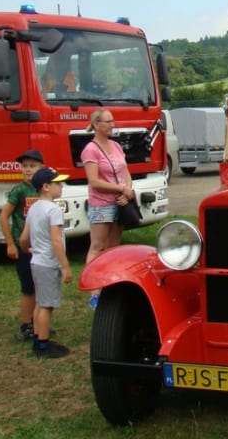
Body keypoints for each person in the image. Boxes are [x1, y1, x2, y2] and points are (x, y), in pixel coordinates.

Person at [80, 110, 135, 309]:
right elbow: (94, 182)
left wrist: (127, 190)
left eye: (113, 121)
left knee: (114, 247)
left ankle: (110, 286)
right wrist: (120, 189)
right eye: (108, 121)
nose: (112, 124)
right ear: (96, 124)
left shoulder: (116, 146)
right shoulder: (90, 150)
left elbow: (125, 171)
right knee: (98, 247)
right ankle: (94, 291)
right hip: (101, 204)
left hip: (120, 203)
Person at [19, 167, 72, 359]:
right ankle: (43, 345)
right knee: (47, 305)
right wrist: (65, 266)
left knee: (40, 303)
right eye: (58, 183)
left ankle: (38, 337)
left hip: (36, 262)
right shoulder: (54, 210)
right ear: (46, 187)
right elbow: (56, 241)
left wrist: (28, 250)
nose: (61, 186)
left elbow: (24, 238)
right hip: (49, 264)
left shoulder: (33, 208)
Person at [0, 149, 43, 342]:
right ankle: (26, 325)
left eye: (32, 166)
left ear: (41, 167)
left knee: (42, 286)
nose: (27, 170)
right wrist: (10, 243)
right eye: (24, 166)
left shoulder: (44, 189)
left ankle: (40, 322)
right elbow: (4, 215)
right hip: (24, 246)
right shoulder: (19, 191)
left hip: (42, 246)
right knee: (28, 288)